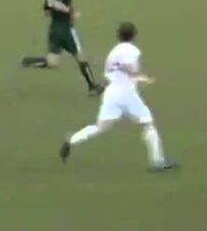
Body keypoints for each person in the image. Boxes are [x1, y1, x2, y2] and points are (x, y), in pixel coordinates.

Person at [59, 22, 177, 172]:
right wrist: (140, 76)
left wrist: (139, 78)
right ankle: (157, 162)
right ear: (134, 35)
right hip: (126, 93)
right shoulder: (132, 50)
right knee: (148, 124)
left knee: (101, 127)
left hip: (112, 93)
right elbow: (127, 67)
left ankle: (72, 140)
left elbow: (111, 72)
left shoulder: (113, 51)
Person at [22, 0, 102, 96]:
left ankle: (29, 61)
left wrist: (57, 11)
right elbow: (65, 6)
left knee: (52, 62)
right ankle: (93, 87)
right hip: (66, 30)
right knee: (81, 58)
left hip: (54, 29)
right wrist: (72, 13)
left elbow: (46, 12)